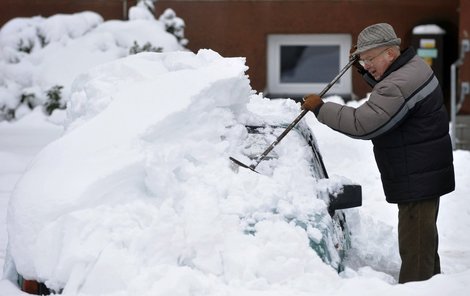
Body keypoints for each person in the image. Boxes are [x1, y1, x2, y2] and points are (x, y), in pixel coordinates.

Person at [301, 23, 455, 283]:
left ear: (390, 54)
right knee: (423, 244)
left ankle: (418, 289)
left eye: (370, 58)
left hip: (416, 175)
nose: (367, 65)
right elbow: (389, 91)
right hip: (423, 171)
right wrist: (364, 66)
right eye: (362, 60)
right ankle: (433, 286)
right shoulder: (412, 68)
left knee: (416, 249)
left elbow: (364, 123)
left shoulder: (399, 83)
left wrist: (321, 109)